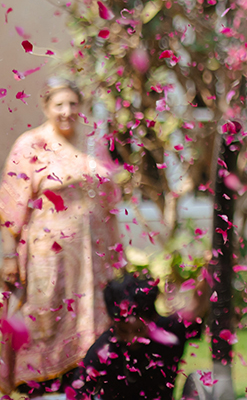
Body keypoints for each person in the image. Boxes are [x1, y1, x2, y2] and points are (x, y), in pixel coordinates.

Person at [0, 78, 123, 395]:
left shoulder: (90, 144)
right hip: (49, 254)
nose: (66, 111)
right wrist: (9, 255)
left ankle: (82, 383)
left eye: (72, 104)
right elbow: (12, 204)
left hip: (92, 256)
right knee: (46, 315)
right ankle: (39, 385)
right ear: (46, 107)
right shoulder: (31, 145)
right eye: (59, 105)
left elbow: (108, 202)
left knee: (91, 316)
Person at [66, 273, 204, 400]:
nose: (131, 339)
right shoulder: (104, 350)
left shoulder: (170, 332)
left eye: (138, 330)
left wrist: (214, 263)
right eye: (123, 331)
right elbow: (78, 393)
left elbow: (198, 306)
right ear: (113, 323)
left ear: (152, 320)